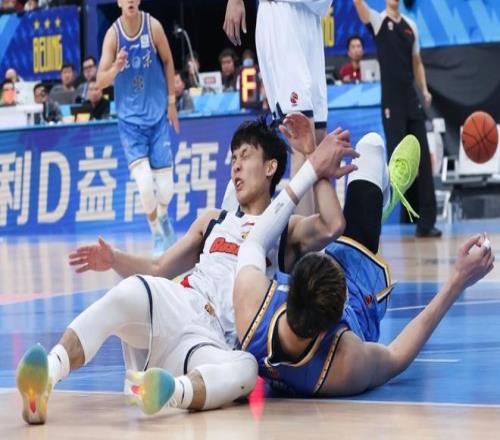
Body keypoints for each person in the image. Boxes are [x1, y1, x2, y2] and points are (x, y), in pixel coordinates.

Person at [16, 116, 356, 424]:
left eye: (245, 156)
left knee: (245, 369)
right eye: (233, 159)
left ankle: (166, 390)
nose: (236, 166)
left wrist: (313, 157)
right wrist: (115, 259)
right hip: (178, 303)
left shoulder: (286, 229)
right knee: (129, 290)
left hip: (210, 339)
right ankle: (47, 374)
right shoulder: (213, 220)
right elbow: (159, 267)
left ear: (270, 167)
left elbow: (332, 224)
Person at [233, 128, 494, 397]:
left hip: (310, 297)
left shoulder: (249, 303)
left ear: (286, 287)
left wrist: (314, 161)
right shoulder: (345, 363)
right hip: (361, 290)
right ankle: (383, 201)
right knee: (371, 144)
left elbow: (253, 241)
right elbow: (395, 356)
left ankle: (376, 207)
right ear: (329, 329)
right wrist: (457, 281)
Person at [224, 0, 331, 216]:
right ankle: (302, 234)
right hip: (283, 17)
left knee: (318, 140)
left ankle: (324, 232)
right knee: (302, 139)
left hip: (311, 19)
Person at [96, 0, 179, 255]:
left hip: (157, 117)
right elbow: (100, 81)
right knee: (144, 184)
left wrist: (171, 102)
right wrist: (115, 68)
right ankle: (157, 234)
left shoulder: (153, 27)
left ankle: (163, 216)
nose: (130, 0)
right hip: (130, 122)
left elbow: (168, 61)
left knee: (166, 189)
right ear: (119, 2)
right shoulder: (113, 35)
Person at [353, 0, 441, 238]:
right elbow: (360, 8)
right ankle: (379, 220)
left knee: (423, 160)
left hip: (411, 99)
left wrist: (424, 90)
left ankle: (427, 222)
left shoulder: (411, 26)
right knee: (395, 164)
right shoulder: (379, 21)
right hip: (392, 102)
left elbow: (417, 63)